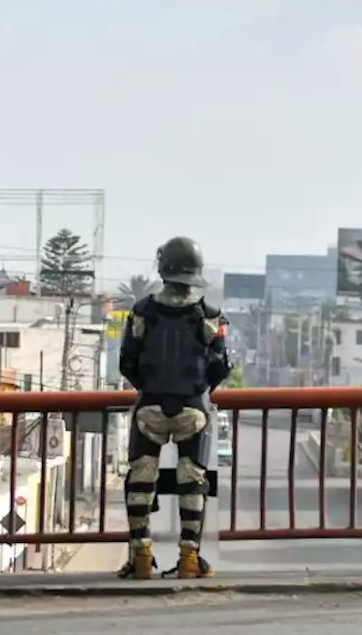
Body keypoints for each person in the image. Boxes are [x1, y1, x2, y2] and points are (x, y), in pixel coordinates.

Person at [116, 236, 233, 580]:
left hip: (149, 406)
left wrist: (148, 388)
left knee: (140, 477)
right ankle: (190, 558)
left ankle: (140, 555)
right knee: (192, 480)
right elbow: (222, 366)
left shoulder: (141, 311)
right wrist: (199, 391)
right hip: (193, 409)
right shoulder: (211, 316)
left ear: (163, 268)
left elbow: (127, 362)